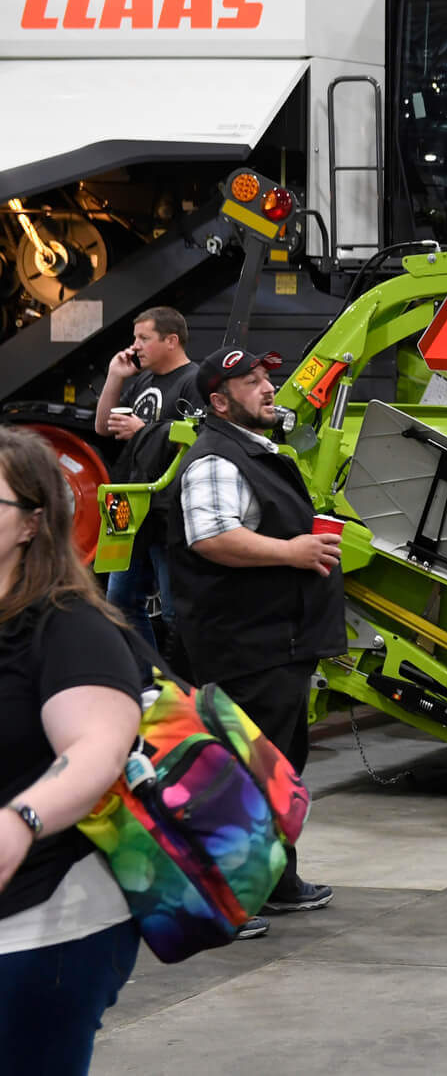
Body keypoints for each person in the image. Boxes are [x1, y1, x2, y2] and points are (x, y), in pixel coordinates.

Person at [157, 347, 342, 938]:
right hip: (245, 645)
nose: (268, 388)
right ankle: (227, 900)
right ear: (218, 402)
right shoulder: (216, 458)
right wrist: (291, 551)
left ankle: (275, 883)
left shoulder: (255, 452)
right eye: (250, 382)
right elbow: (212, 537)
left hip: (278, 642)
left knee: (279, 769)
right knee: (240, 775)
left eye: (266, 376)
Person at [0, 429, 145, 1072]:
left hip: (44, 924)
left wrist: (20, 820)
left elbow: (96, 747)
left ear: (32, 523)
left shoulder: (68, 624)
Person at [95, 306, 199, 651]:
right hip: (130, 510)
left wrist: (144, 431)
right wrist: (115, 376)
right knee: (120, 604)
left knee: (173, 611)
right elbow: (102, 426)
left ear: (171, 340)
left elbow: (200, 440)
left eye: (144, 338)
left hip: (169, 512)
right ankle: (149, 679)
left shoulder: (193, 381)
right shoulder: (143, 379)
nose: (135, 346)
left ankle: (186, 687)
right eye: (134, 338)